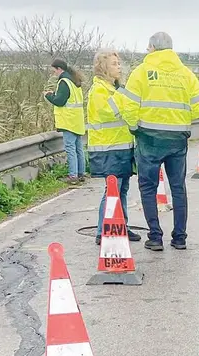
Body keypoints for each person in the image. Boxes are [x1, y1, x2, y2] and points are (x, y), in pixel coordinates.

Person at [113, 32, 199, 251]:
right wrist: (181, 119)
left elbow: (128, 105)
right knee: (178, 187)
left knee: (148, 187)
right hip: (177, 138)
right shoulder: (186, 74)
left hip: (149, 138)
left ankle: (155, 237)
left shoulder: (141, 72)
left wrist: (134, 126)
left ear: (153, 48)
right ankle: (180, 237)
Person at [86, 49, 141, 245]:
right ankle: (103, 230)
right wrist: (126, 98)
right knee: (112, 190)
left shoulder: (115, 89)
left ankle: (121, 226)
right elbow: (113, 112)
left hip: (121, 147)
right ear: (103, 67)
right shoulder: (99, 91)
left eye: (119, 63)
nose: (119, 67)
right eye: (114, 64)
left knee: (122, 189)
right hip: (107, 149)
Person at [44, 58, 86, 184]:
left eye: (54, 71)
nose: (54, 74)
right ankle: (81, 173)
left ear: (59, 69)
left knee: (70, 148)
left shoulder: (64, 81)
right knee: (78, 148)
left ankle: (73, 176)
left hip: (68, 120)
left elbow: (59, 101)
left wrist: (48, 95)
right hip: (77, 120)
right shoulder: (74, 81)